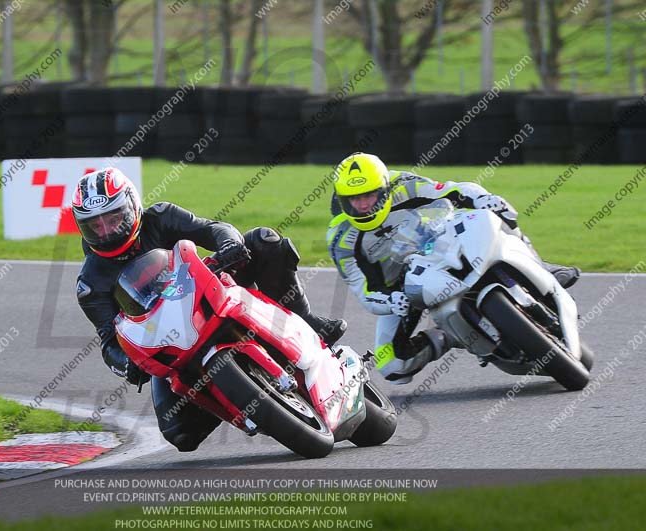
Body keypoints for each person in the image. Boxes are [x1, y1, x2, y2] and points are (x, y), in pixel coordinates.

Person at [73, 167, 346, 451]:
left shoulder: (161, 217)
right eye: (96, 225)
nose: (106, 231)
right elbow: (109, 341)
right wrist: (127, 364)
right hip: (167, 341)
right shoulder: (90, 283)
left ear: (132, 207)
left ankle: (308, 322)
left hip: (210, 293)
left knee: (264, 241)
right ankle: (236, 397)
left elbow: (213, 228)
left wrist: (229, 245)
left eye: (114, 219)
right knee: (180, 433)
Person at [326, 152, 580, 384]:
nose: (362, 205)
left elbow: (453, 190)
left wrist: (485, 200)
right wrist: (391, 301)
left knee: (497, 217)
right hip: (401, 289)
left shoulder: (403, 185)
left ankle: (540, 266)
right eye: (354, 199)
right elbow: (364, 292)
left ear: (384, 188)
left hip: (435, 244)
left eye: (369, 195)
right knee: (391, 365)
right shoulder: (341, 239)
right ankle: (452, 335)